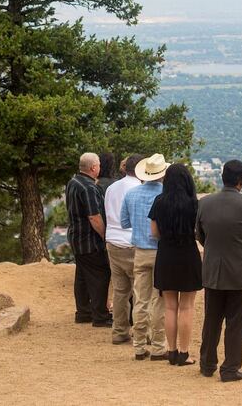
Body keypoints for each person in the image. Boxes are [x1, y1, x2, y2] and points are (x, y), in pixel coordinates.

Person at [196, 159, 242, 382]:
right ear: (241, 180)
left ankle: (207, 364)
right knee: (236, 322)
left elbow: (200, 234)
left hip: (214, 270)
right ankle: (230, 368)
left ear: (222, 177)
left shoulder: (205, 203)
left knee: (212, 319)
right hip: (241, 271)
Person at [148, 162, 203, 366]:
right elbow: (199, 231)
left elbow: (154, 232)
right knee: (186, 307)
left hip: (166, 255)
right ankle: (184, 353)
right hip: (188, 254)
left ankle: (170, 352)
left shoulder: (159, 201)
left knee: (170, 307)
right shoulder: (193, 203)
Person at [120, 153, 168, 362]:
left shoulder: (131, 195)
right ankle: (158, 345)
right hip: (160, 251)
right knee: (160, 300)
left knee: (140, 299)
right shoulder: (165, 195)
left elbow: (124, 222)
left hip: (140, 251)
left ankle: (139, 345)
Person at [65, 152, 112, 327]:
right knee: (101, 275)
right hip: (90, 240)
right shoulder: (89, 188)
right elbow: (94, 217)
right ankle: (100, 315)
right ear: (93, 168)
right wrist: (105, 236)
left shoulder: (73, 182)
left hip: (76, 237)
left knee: (82, 276)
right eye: (98, 164)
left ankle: (83, 312)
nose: (100, 167)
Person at [104, 154, 141, 345]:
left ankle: (119, 331)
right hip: (132, 242)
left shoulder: (111, 188)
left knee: (120, 291)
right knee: (140, 292)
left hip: (113, 241)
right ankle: (142, 332)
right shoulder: (138, 189)